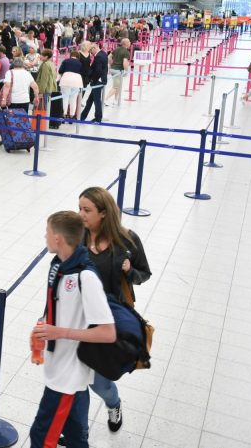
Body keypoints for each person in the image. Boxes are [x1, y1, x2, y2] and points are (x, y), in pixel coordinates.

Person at [29, 211, 116, 448]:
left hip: (68, 376)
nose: (44, 236)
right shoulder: (59, 265)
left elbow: (108, 333)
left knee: (42, 436)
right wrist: (43, 329)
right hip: (61, 369)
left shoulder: (86, 277)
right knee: (77, 438)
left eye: (47, 232)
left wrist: (59, 332)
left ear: (58, 238)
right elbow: (58, 307)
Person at [77, 187, 152, 435]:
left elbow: (144, 273)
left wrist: (130, 271)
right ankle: (78, 432)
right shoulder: (78, 237)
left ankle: (114, 404)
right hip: (79, 317)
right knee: (76, 383)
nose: (81, 215)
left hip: (110, 323)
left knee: (101, 383)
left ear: (104, 213)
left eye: (87, 210)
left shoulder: (128, 240)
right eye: (80, 208)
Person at [80, 44, 108, 123]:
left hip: (97, 81)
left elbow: (98, 70)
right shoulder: (103, 53)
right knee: (90, 100)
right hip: (101, 80)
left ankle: (98, 118)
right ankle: (83, 116)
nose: (90, 53)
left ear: (94, 48)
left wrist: (93, 80)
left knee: (96, 100)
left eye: (90, 50)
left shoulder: (99, 56)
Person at [58, 50, 85, 121]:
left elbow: (60, 71)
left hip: (66, 79)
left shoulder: (65, 61)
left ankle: (63, 115)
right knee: (73, 99)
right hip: (77, 81)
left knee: (65, 98)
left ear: (71, 55)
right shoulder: (80, 63)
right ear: (78, 57)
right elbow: (82, 72)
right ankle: (71, 115)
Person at [106, 38, 130, 105]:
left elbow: (109, 57)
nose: (130, 43)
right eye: (129, 42)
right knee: (116, 87)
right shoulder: (126, 52)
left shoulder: (116, 49)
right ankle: (105, 100)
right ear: (126, 43)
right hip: (118, 71)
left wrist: (111, 64)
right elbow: (125, 62)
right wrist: (126, 70)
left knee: (118, 86)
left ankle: (115, 100)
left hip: (113, 69)